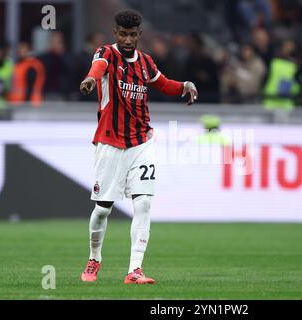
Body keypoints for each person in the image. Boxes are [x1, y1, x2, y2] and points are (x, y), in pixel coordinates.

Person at [79, 10, 198, 285]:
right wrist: (90, 80)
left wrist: (185, 86)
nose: (128, 39)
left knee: (143, 202)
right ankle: (94, 258)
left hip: (141, 142)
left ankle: (135, 270)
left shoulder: (145, 62)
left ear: (140, 34)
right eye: (123, 34)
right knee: (103, 208)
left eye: (133, 35)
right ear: (115, 33)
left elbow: (163, 84)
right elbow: (97, 69)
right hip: (110, 141)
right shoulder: (106, 54)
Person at [8, 42, 46, 107]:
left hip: (29, 103)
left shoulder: (31, 65)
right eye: (19, 49)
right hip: (18, 103)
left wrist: (26, 102)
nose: (19, 51)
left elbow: (30, 87)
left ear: (29, 51)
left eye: (22, 49)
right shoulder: (20, 64)